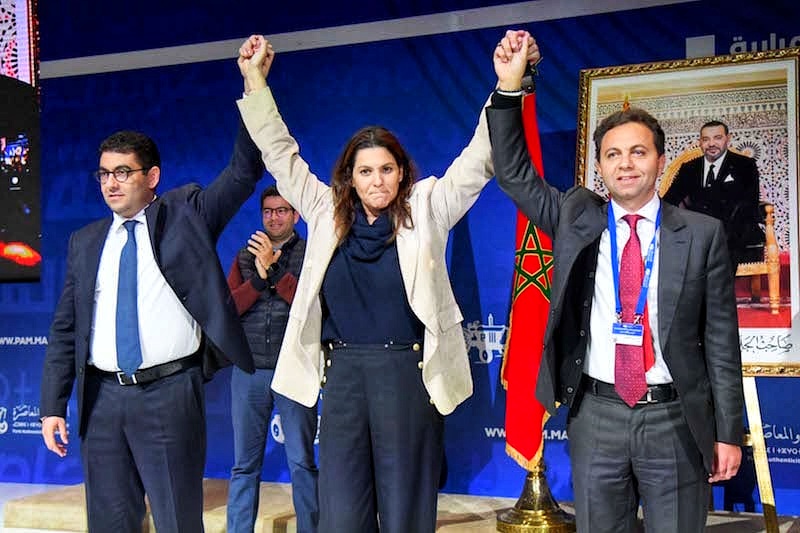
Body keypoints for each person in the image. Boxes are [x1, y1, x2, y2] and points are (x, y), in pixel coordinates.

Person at [233, 33, 520, 533]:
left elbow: (479, 159)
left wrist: (507, 85)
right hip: (343, 377)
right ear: (350, 176)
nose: (377, 180)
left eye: (387, 169)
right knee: (342, 516)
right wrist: (254, 80)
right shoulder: (324, 211)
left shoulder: (429, 208)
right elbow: (279, 153)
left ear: (402, 172)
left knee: (405, 513)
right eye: (365, 171)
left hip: (406, 377)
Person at [487, 30, 744, 533]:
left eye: (638, 152)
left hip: (673, 418)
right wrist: (509, 88)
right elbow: (514, 174)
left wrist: (728, 431)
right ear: (600, 165)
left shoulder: (701, 234)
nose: (625, 164)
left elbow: (720, 341)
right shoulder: (576, 216)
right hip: (596, 416)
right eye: (613, 155)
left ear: (661, 160)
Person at [40, 123, 265, 532]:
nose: (111, 183)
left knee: (177, 521)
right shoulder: (85, 242)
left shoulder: (187, 216)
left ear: (152, 176)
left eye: (123, 172)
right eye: (104, 174)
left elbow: (242, 172)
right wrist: (53, 406)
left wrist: (254, 96)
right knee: (109, 523)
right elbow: (66, 330)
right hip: (102, 400)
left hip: (169, 393)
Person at [226, 185, 319, 533]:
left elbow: (312, 307)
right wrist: (258, 278)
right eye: (268, 211)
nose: (274, 218)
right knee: (244, 465)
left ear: (296, 215)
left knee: (302, 462)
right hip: (249, 370)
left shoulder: (311, 254)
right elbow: (229, 308)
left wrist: (276, 271)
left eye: (282, 211)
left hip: (294, 369)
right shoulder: (244, 255)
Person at [662, 120, 764, 266]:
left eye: (717, 138)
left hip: (734, 230)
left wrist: (719, 231)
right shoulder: (689, 168)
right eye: (706, 139)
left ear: (728, 139)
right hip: (698, 231)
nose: (711, 144)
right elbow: (669, 200)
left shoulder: (745, 165)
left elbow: (749, 204)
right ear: (700, 142)